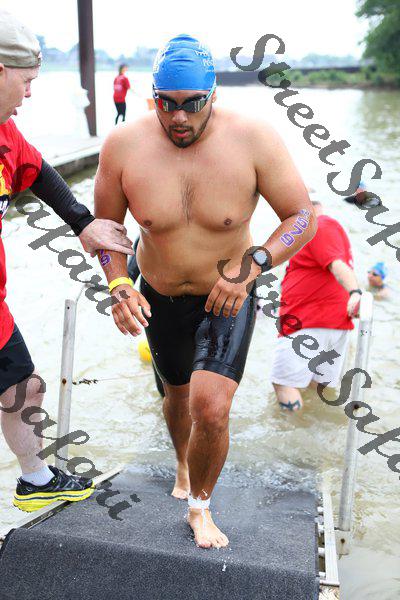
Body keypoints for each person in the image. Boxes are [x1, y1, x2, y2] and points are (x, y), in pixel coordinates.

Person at [95, 34, 316, 548]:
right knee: (176, 397)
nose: (178, 117)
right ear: (152, 96)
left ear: (214, 94)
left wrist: (254, 264)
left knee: (211, 407)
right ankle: (181, 461)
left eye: (192, 104)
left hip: (228, 293)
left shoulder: (253, 139)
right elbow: (106, 231)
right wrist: (119, 283)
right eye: (166, 104)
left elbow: (302, 216)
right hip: (159, 293)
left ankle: (200, 507)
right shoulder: (123, 145)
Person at [0, 10, 134, 513]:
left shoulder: (5, 134)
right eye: (26, 81)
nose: (30, 94)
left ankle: (36, 480)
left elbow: (39, 170)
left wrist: (83, 224)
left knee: (24, 387)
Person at [270, 201, 361, 412]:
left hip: (308, 320)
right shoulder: (328, 229)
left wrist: (355, 292)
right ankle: (314, 428)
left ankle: (291, 432)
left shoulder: (319, 226)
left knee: (284, 383)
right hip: (330, 322)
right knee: (317, 388)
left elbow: (337, 265)